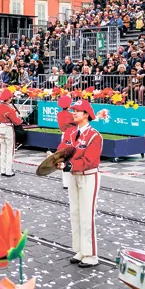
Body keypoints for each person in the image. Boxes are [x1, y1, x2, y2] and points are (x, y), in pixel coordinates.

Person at [56, 99, 102, 267]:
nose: (73, 113)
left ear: (86, 115)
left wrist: (70, 164)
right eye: (73, 110)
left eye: (77, 111)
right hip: (73, 175)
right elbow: (62, 149)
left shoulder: (94, 135)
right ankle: (80, 250)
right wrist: (56, 158)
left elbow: (91, 161)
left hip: (89, 176)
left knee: (87, 215)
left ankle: (91, 254)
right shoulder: (69, 133)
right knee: (75, 212)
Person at [0, 89, 22, 177]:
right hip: (8, 128)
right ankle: (8, 170)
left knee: (3, 150)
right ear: (9, 98)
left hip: (1, 127)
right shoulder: (9, 108)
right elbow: (16, 121)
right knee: (10, 150)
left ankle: (3, 169)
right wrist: (20, 119)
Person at [56, 95, 74, 189]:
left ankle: (65, 182)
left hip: (63, 135)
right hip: (71, 137)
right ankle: (70, 181)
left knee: (64, 159)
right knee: (71, 159)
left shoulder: (59, 114)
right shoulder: (70, 115)